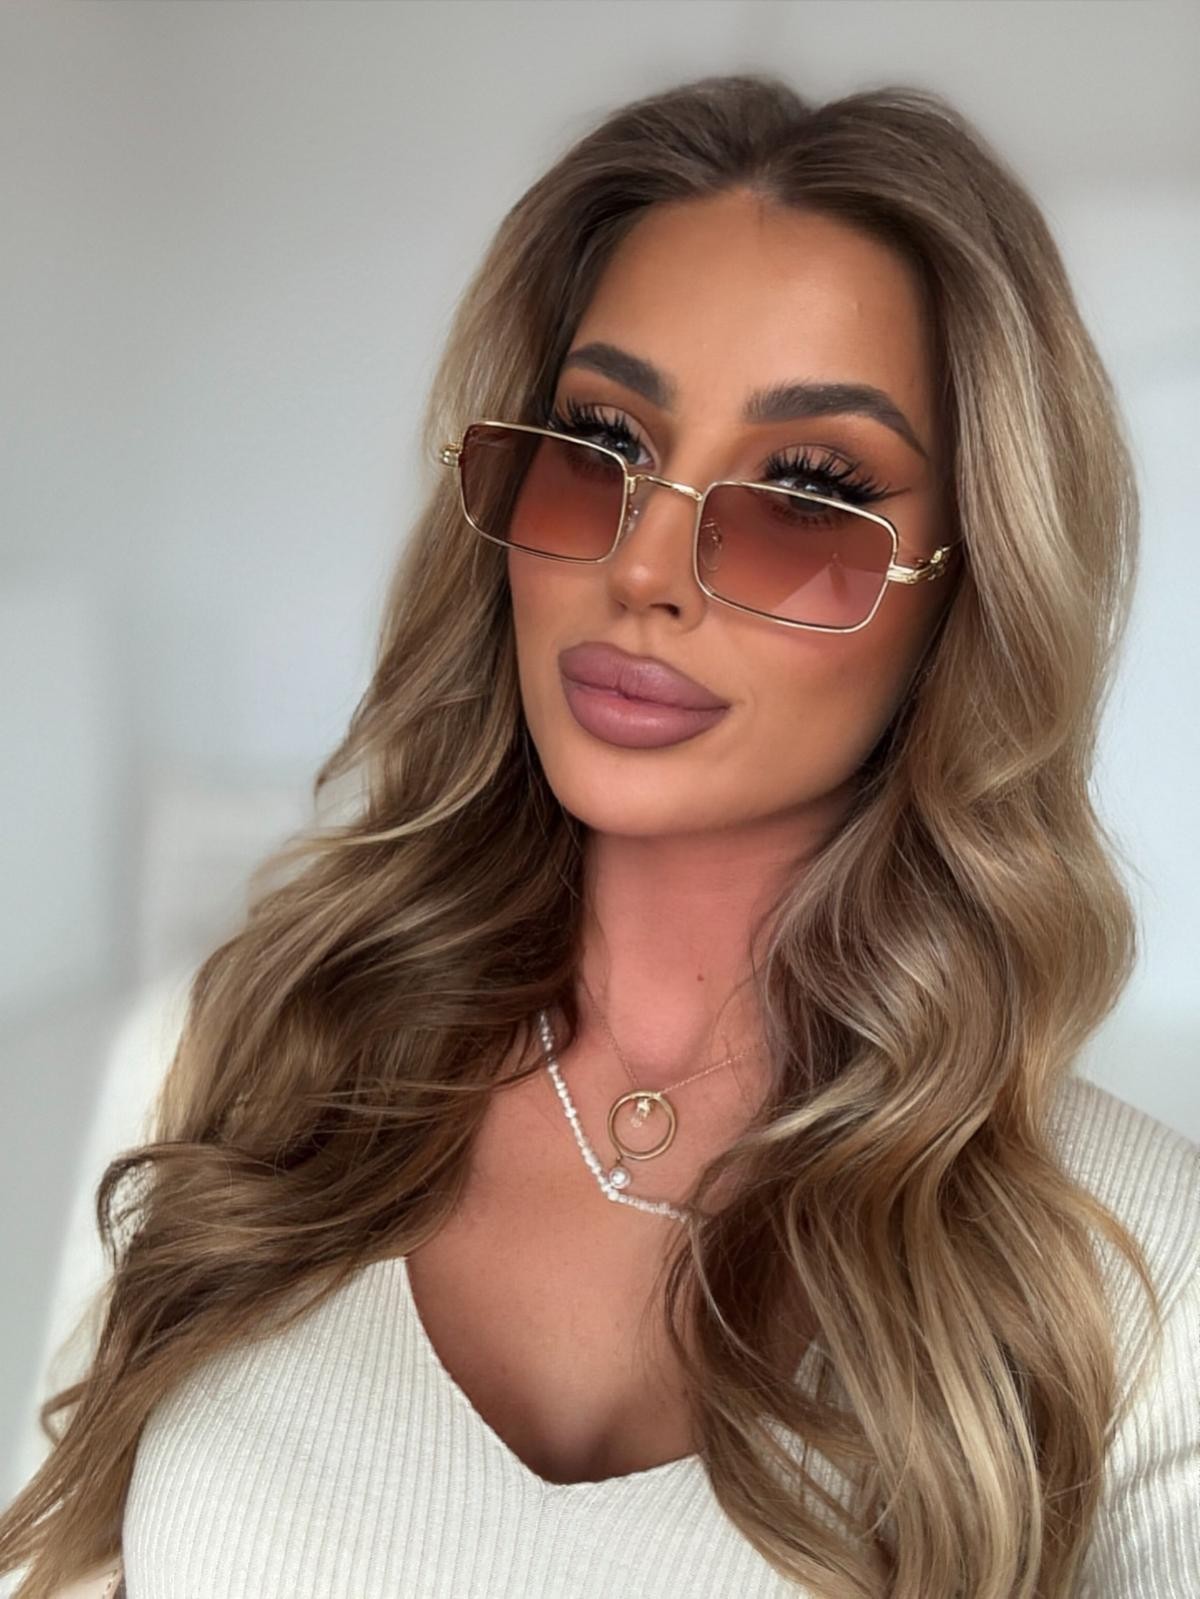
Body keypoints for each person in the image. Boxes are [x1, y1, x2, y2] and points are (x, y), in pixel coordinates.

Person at [3, 71, 1197, 1599]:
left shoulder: (1140, 1276)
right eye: (599, 443)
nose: (643, 568)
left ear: (969, 590)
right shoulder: (236, 1054)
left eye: (808, 492)